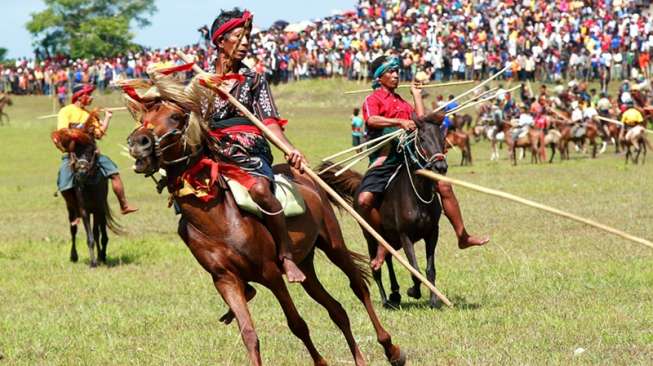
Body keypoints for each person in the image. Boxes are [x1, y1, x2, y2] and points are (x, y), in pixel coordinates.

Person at [204, 8, 307, 282]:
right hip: (212, 154)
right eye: (239, 36)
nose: (246, 42)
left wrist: (289, 148)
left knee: (261, 190)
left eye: (248, 37)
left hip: (249, 153)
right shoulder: (201, 80)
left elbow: (270, 121)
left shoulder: (254, 79)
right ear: (220, 41)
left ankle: (285, 255)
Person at [358, 55, 489, 271]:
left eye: (397, 71)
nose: (396, 75)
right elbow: (372, 120)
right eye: (391, 71)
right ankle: (382, 241)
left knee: (444, 185)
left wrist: (416, 95)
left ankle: (462, 236)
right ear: (379, 76)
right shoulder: (373, 100)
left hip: (409, 157)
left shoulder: (401, 101)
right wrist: (399, 122)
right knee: (364, 200)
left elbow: (421, 121)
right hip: (385, 156)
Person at [56, 83, 138, 225]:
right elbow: (63, 132)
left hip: (91, 153)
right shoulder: (66, 111)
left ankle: (124, 205)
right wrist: (81, 128)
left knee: (114, 172)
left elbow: (99, 134)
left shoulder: (90, 114)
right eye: (89, 94)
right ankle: (75, 211)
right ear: (80, 96)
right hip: (73, 153)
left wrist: (107, 117)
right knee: (64, 183)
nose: (91, 97)